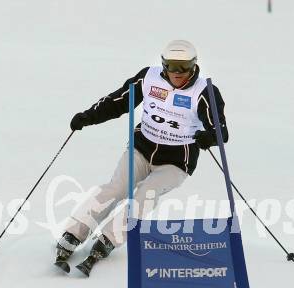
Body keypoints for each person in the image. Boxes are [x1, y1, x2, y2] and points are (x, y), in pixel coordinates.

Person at [55, 40, 229, 276]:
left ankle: (108, 239)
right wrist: (88, 116)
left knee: (145, 196)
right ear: (163, 64)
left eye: (184, 67)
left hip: (176, 161)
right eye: (172, 66)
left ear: (194, 65)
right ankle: (73, 234)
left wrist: (208, 136)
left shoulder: (204, 91)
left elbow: (220, 131)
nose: (177, 73)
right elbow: (118, 101)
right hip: (142, 148)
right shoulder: (149, 78)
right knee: (116, 188)